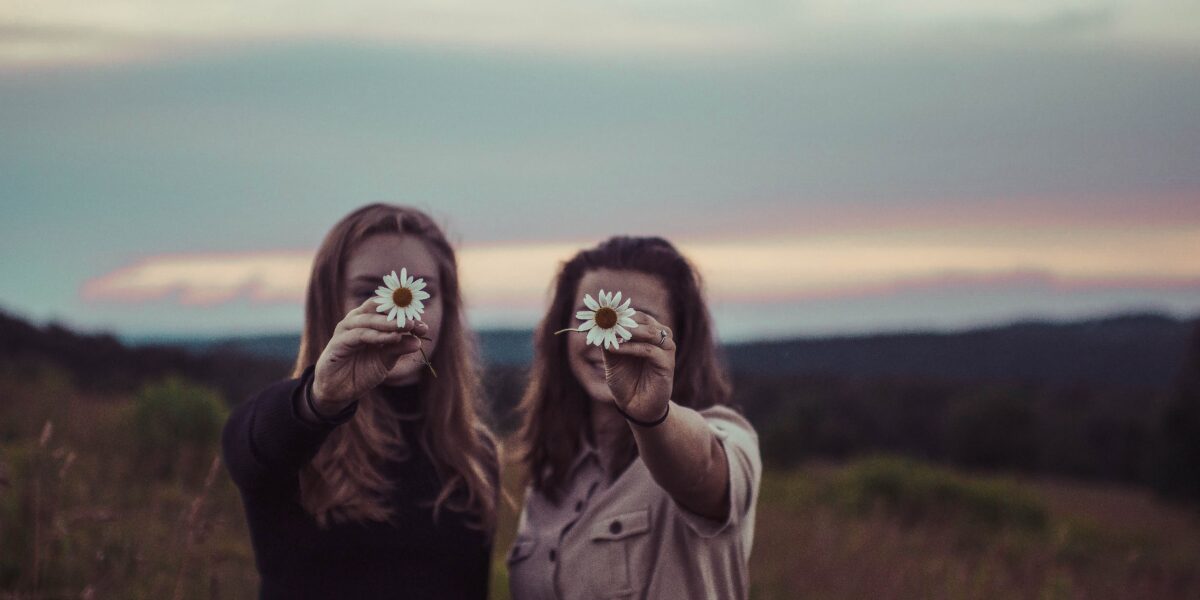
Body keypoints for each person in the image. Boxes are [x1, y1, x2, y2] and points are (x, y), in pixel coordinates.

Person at [222, 204, 498, 599]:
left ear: (447, 307)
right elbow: (247, 443)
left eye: (420, 291)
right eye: (368, 292)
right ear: (328, 303)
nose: (394, 311)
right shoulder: (294, 436)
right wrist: (319, 401)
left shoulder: (474, 455)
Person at [509, 236, 761, 600]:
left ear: (679, 338)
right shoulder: (551, 474)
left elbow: (704, 470)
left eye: (638, 321)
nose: (610, 339)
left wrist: (653, 415)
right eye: (592, 316)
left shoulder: (726, 437)